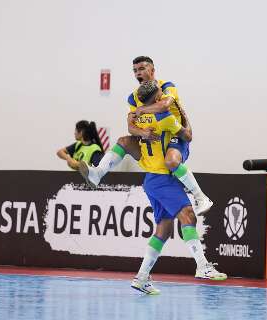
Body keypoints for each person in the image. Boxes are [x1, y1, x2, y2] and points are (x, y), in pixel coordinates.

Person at [79, 56, 213, 215]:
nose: (138, 73)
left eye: (142, 69)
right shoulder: (134, 97)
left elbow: (165, 105)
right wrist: (142, 132)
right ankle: (97, 173)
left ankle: (201, 197)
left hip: (175, 135)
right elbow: (131, 126)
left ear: (152, 70)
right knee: (123, 141)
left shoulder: (167, 87)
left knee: (171, 161)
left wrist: (142, 110)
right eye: (135, 70)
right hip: (152, 140)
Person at [129, 80, 227, 295]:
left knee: (163, 229)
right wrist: (184, 115)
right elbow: (188, 135)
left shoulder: (136, 117)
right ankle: (202, 266)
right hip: (163, 178)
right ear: (157, 98)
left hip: (151, 179)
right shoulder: (165, 117)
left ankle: (141, 277)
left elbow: (130, 129)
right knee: (188, 215)